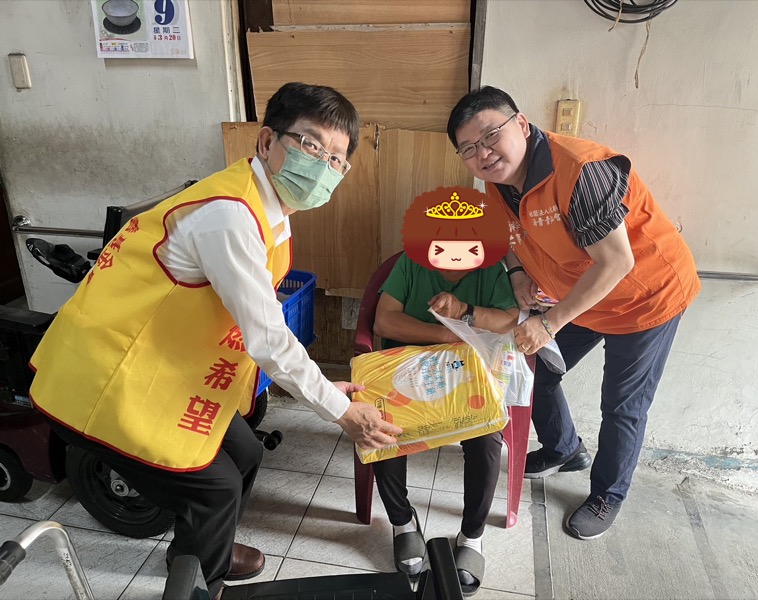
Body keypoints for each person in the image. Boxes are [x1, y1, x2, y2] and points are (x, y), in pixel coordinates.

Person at [29, 82, 401, 599]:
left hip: (161, 365)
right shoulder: (230, 215)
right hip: (108, 375)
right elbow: (267, 337)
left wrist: (324, 390)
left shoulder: (269, 208)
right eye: (311, 145)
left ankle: (204, 553)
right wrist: (339, 411)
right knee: (215, 487)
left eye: (337, 159)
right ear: (267, 141)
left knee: (245, 452)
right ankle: (203, 582)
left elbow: (256, 321)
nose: (323, 166)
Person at [446, 86, 700, 540]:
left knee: (621, 406)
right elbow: (506, 234)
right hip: (580, 296)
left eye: (490, 136)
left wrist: (549, 322)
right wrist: (518, 274)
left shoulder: (581, 172)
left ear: (521, 124)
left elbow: (616, 262)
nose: (483, 153)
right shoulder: (497, 181)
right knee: (537, 372)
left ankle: (608, 495)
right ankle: (564, 449)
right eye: (469, 149)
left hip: (644, 298)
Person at [371, 187, 519, 597]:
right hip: (405, 369)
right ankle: (403, 523)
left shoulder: (492, 270)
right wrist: (441, 334)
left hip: (467, 374)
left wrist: (465, 313)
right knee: (381, 427)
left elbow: (509, 321)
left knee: (487, 436)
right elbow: (384, 322)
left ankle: (471, 535)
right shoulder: (411, 262)